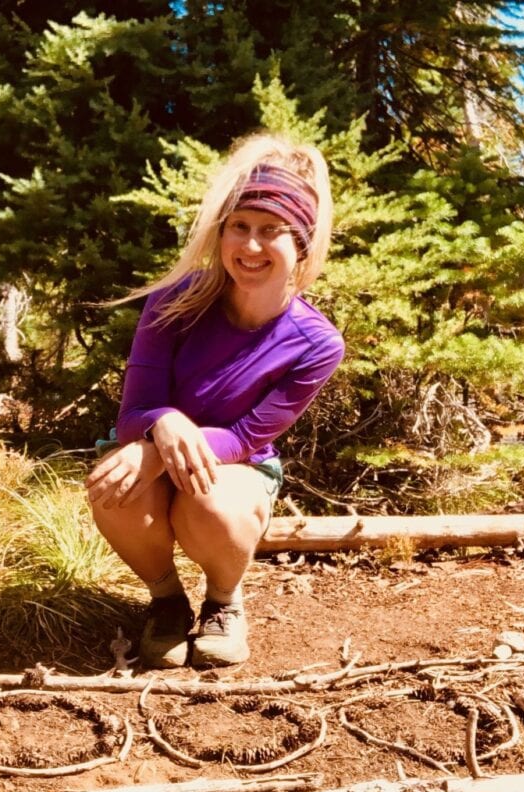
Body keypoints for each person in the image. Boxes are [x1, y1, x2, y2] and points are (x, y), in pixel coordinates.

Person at [86, 132, 344, 670]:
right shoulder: (171, 303)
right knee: (116, 488)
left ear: (300, 244)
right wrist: (161, 425)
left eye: (270, 231)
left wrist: (161, 447)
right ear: (221, 231)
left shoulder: (317, 343)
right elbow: (133, 413)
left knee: (212, 504)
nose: (250, 247)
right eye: (239, 227)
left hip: (241, 467)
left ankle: (224, 601)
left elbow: (251, 436)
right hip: (152, 447)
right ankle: (166, 602)